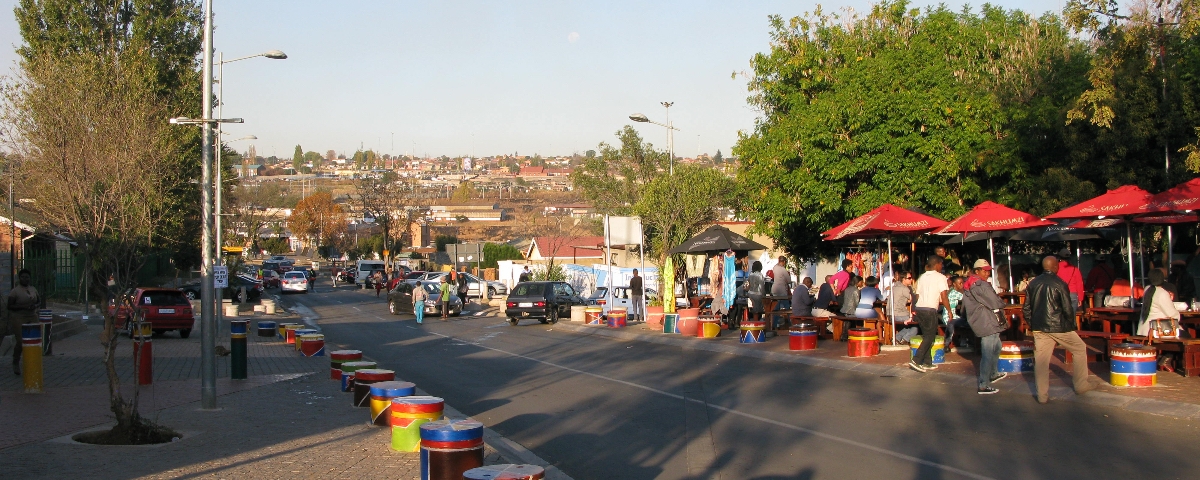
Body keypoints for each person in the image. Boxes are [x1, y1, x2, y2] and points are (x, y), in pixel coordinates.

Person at [1023, 256, 1094, 404]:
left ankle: (1042, 395)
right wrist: (1070, 324)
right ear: (1055, 267)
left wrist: (1032, 323)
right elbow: (1067, 309)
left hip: (1039, 327)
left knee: (1042, 361)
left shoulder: (1033, 283)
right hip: (1059, 325)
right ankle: (1081, 384)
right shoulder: (1060, 283)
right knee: (1079, 348)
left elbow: (1026, 308)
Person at [962, 259, 1008, 394]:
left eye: (988, 270)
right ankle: (983, 384)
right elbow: (994, 302)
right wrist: (1001, 303)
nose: (987, 273)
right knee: (988, 352)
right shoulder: (979, 284)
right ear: (977, 271)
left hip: (983, 319)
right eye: (984, 270)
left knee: (997, 346)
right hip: (986, 320)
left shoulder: (971, 283)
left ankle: (993, 373)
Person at [911, 256, 950, 372]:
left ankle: (927, 362)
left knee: (926, 335)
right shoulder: (941, 277)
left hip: (920, 308)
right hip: (930, 309)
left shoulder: (922, 277)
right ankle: (916, 360)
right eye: (941, 264)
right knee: (930, 336)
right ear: (937, 264)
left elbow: (917, 295)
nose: (942, 266)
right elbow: (944, 296)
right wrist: (949, 310)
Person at [7, 269, 40, 375]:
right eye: (23, 277)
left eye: (27, 277)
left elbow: (38, 301)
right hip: (18, 317)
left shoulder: (33, 289)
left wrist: (34, 306)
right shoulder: (15, 291)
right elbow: (10, 306)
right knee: (21, 341)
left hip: (32, 316)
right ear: (19, 278)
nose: (25, 279)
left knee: (36, 339)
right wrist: (23, 307)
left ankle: (32, 363)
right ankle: (15, 361)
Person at [1138, 268, 1181, 337]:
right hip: (1156, 331)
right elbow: (1174, 316)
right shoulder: (1162, 293)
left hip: (1143, 330)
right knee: (1186, 335)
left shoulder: (1147, 289)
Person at [943, 275, 969, 351]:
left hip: (954, 315)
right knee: (960, 323)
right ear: (954, 284)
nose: (962, 285)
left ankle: (963, 340)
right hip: (949, 316)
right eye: (960, 283)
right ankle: (947, 343)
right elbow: (966, 297)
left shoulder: (952, 290)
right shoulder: (954, 293)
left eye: (962, 283)